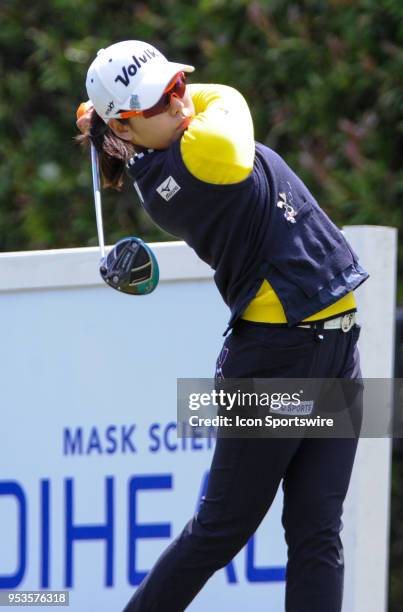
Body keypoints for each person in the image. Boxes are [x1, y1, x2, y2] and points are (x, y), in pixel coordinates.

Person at [77, 40, 369, 612]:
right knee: (221, 530)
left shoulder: (162, 143)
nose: (179, 99)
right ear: (130, 131)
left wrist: (115, 124)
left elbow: (181, 106)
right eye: (158, 101)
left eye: (176, 85)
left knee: (317, 532)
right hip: (277, 359)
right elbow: (227, 96)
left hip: (330, 341)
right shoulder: (205, 150)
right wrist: (111, 124)